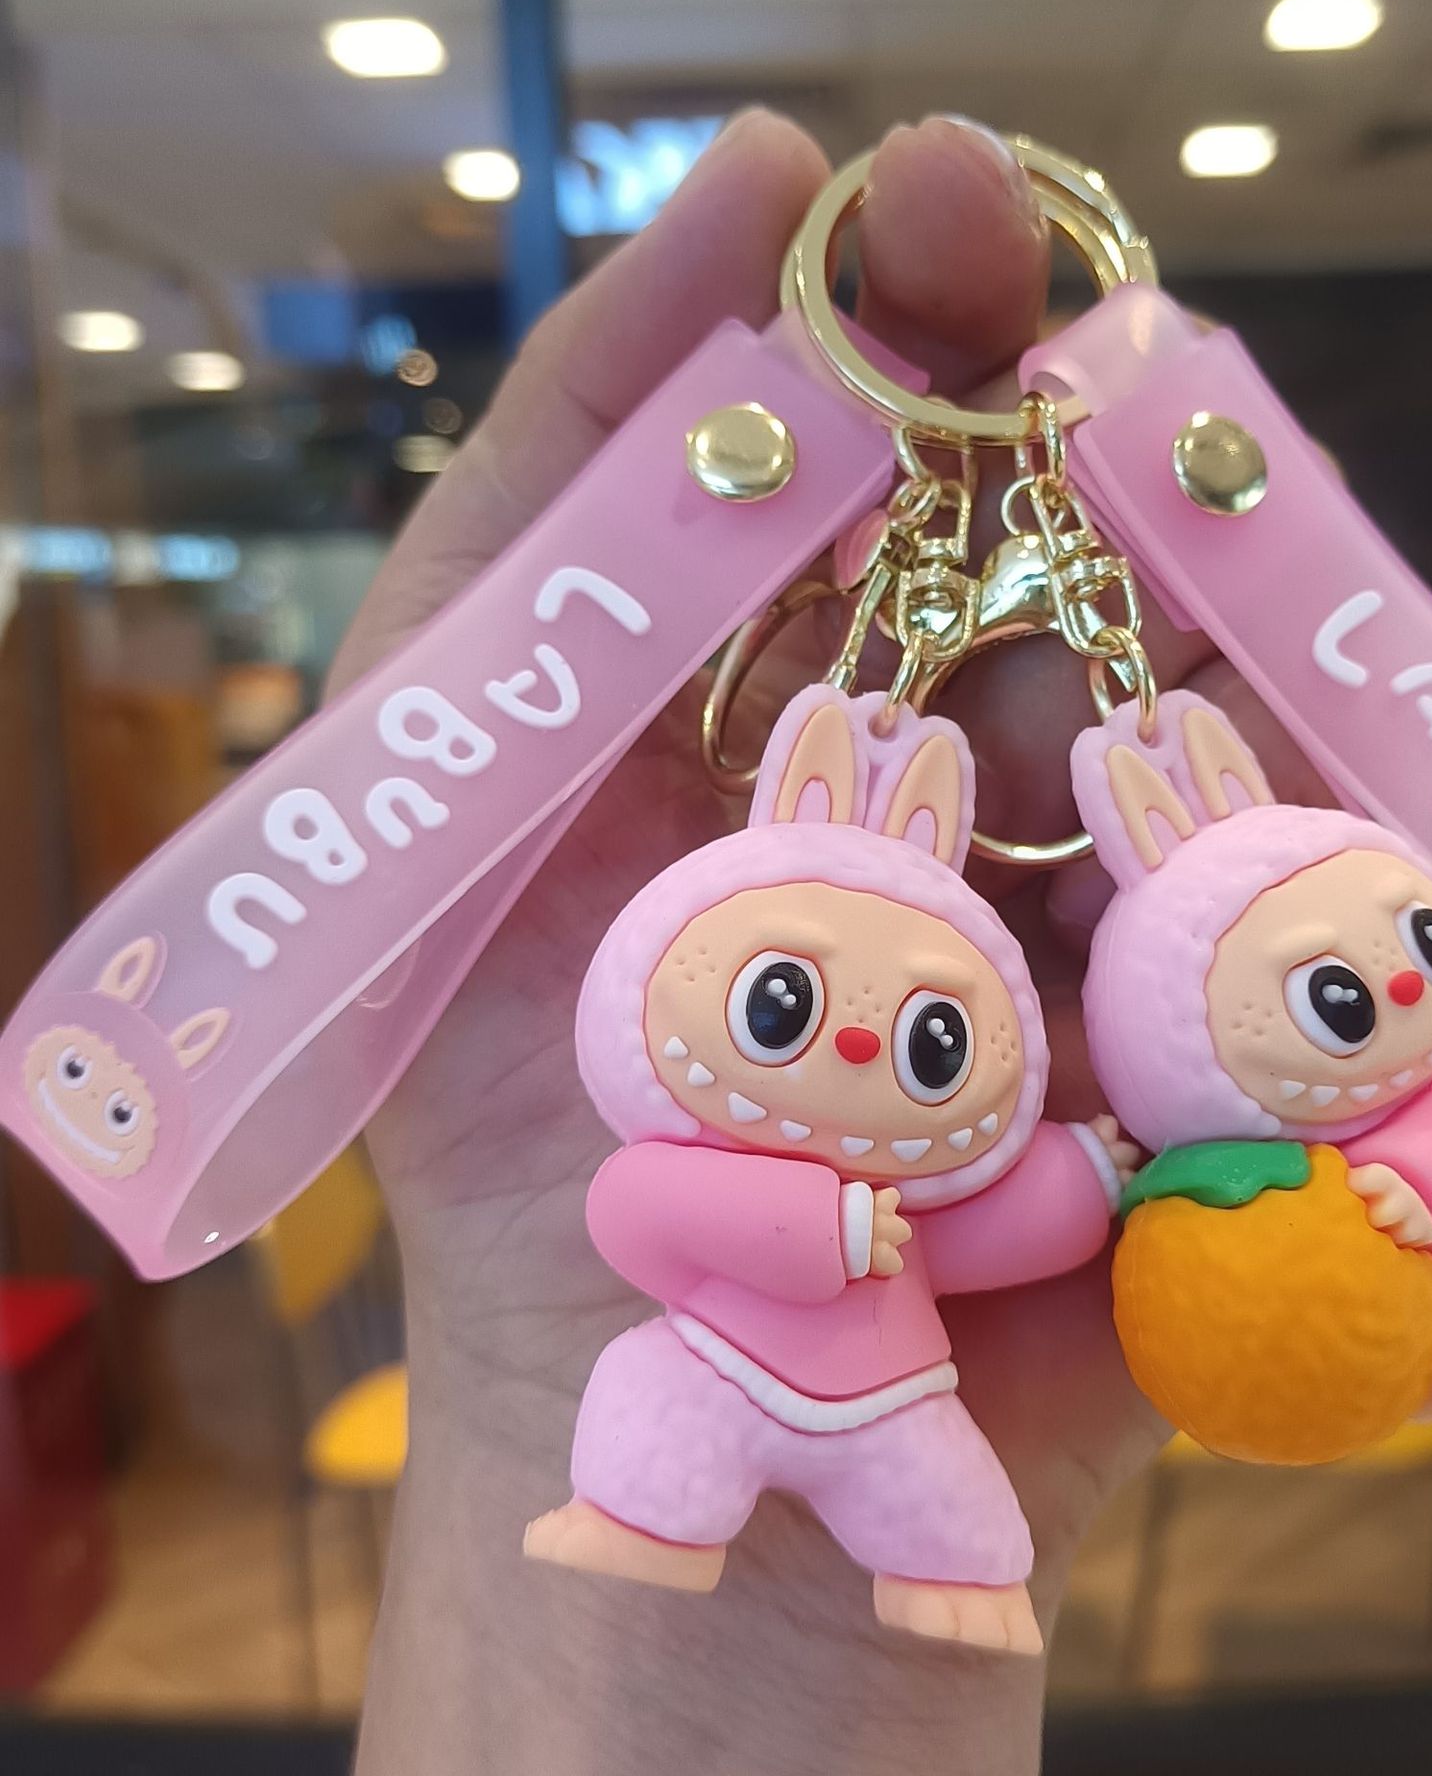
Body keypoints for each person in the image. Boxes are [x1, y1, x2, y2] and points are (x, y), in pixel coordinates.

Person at [340, 112, 1327, 1775]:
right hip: (713, 1365)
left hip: (902, 1405)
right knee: (650, 1429)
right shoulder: (737, 1164)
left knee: (944, 1510)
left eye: (936, 1042)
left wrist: (1097, 1174)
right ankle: (640, 1520)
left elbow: (1004, 1219)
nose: (864, 1045)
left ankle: (951, 1579)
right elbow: (636, 1211)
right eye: (790, 1002)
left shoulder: (927, 1181)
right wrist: (829, 1224)